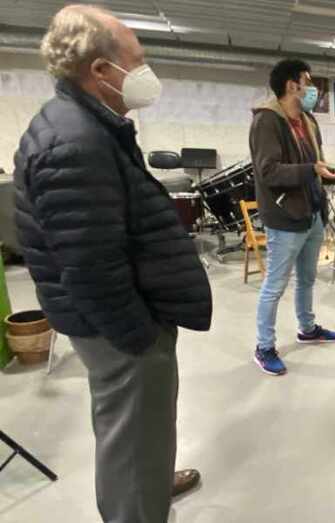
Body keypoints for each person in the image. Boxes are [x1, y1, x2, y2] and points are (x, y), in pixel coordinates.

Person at [13, 5, 212, 521]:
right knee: (131, 429)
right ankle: (136, 504)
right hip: (119, 328)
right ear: (101, 70)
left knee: (139, 425)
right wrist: (140, 337)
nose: (145, 72)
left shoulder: (87, 124)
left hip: (121, 318)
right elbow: (90, 267)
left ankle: (149, 480)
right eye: (137, 60)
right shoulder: (74, 142)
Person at [250, 58, 335, 376]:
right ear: (291, 85)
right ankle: (264, 347)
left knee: (307, 279)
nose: (313, 88)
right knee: (275, 285)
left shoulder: (308, 121)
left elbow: (316, 168)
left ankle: (307, 328)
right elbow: (269, 172)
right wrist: (312, 169)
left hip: (312, 214)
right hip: (285, 217)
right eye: (307, 81)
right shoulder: (267, 121)